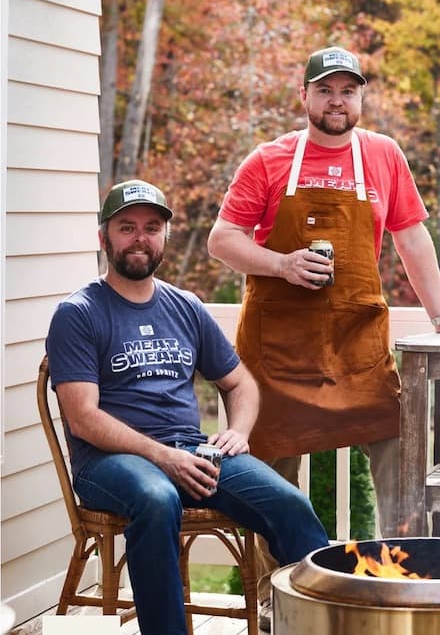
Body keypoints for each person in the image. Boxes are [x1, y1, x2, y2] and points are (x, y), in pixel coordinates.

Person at [207, 46, 440, 630]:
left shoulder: (383, 155)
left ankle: (400, 590)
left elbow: (412, 239)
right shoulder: (270, 160)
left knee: (400, 461)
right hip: (275, 355)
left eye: (348, 91)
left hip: (356, 346)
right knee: (271, 488)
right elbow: (221, 240)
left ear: (360, 98)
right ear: (304, 97)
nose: (336, 101)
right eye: (325, 90)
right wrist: (280, 264)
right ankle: (284, 606)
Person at [45, 179, 330, 635]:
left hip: (193, 453)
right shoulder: (79, 313)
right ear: (104, 238)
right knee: (156, 500)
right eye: (127, 227)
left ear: (164, 238)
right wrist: (164, 457)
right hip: (109, 462)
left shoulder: (186, 306)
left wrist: (238, 432)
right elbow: (83, 418)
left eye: (152, 228)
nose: (140, 238)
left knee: (290, 504)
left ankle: (317, 626)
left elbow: (240, 384)